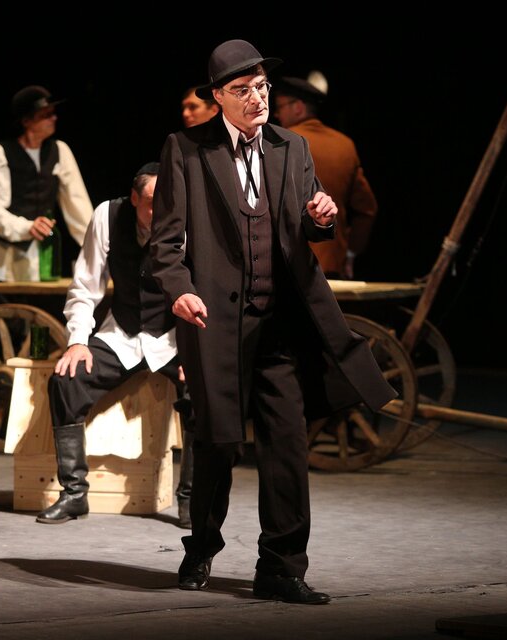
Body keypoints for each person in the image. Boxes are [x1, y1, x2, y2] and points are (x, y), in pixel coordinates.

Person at [151, 40, 397, 604]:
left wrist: (321, 216)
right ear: (218, 98)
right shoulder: (186, 150)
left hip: (279, 323)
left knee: (286, 444)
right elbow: (165, 244)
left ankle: (281, 568)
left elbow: (306, 223)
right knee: (218, 443)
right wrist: (180, 290)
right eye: (243, 90)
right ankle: (202, 544)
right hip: (215, 324)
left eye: (262, 87)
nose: (258, 98)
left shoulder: (293, 146)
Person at [40, 162, 195, 529]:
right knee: (67, 380)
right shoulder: (107, 216)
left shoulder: (189, 222)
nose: (161, 211)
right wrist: (78, 341)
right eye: (152, 203)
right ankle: (74, 493)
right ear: (134, 199)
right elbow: (85, 285)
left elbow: (205, 294)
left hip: (174, 338)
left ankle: (193, 500)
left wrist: (197, 354)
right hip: (122, 334)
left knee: (203, 393)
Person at [0, 85, 94, 284]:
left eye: (53, 113)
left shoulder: (59, 151)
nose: (54, 118)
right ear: (26, 121)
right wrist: (26, 227)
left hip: (41, 262)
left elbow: (78, 206)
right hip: (1, 265)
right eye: (45, 115)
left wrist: (97, 248)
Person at [272, 75, 378, 280]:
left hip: (289, 266)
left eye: (280, 107)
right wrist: (350, 253)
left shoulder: (278, 143)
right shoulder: (345, 145)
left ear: (298, 107)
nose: (276, 114)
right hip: (332, 265)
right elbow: (367, 209)